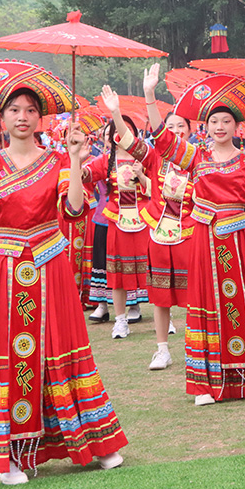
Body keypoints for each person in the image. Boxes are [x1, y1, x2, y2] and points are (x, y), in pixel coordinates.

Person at [0, 62, 126, 485]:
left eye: (29, 110)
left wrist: (76, 161)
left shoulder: (58, 158)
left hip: (50, 264)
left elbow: (74, 209)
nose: (22, 116)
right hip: (7, 270)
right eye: (14, 110)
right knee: (12, 358)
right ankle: (10, 455)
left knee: (66, 347)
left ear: (40, 119)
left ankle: (93, 439)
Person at [139, 64, 245, 406]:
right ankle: (207, 383)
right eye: (214, 122)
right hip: (204, 239)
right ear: (205, 126)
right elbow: (163, 140)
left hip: (239, 240)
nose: (219, 126)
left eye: (226, 121)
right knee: (206, 302)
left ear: (236, 126)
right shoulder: (195, 156)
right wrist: (150, 95)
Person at [101, 97, 193, 370]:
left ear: (189, 131)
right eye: (171, 127)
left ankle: (199, 348)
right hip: (158, 234)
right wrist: (116, 112)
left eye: (181, 127)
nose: (175, 132)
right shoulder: (155, 158)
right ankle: (162, 350)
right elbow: (129, 141)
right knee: (161, 296)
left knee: (196, 296)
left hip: (189, 234)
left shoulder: (198, 159)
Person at [81, 111, 151, 339]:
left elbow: (155, 188)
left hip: (142, 221)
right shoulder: (106, 161)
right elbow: (86, 175)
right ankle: (120, 320)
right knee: (117, 271)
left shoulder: (145, 157)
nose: (120, 135)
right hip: (115, 222)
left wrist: (141, 176)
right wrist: (77, 160)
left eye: (124, 130)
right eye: (114, 132)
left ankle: (163, 316)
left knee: (149, 269)